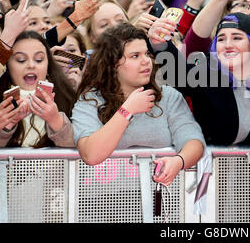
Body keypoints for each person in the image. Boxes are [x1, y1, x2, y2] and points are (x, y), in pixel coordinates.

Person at [71, 23, 205, 186]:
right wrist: (127, 110)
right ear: (113, 64)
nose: (146, 61)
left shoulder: (168, 97)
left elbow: (194, 141)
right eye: (135, 56)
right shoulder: (90, 100)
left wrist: (179, 161)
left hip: (162, 199)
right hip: (101, 203)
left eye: (147, 54)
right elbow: (91, 154)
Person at [148, 12, 250, 147]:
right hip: (216, 167)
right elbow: (177, 73)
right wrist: (159, 41)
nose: (228, 45)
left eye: (237, 38)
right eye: (221, 39)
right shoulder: (207, 76)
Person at [0, 31, 76, 148]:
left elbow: (82, 153)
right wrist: (6, 126)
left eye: (39, 60)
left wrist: (56, 121)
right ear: (7, 66)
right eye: (21, 60)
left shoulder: (67, 96)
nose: (31, 65)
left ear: (48, 64)